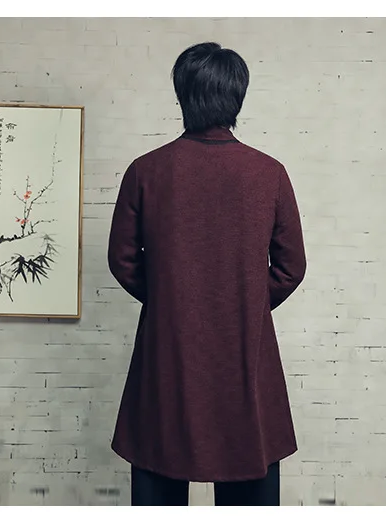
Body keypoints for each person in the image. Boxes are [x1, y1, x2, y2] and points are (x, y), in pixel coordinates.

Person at [107, 41, 307, 506]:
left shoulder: (146, 171)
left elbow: (123, 260)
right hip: (246, 348)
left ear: (183, 95)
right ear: (237, 98)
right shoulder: (269, 173)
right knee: (248, 481)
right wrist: (245, 301)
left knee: (159, 472)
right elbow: (291, 267)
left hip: (168, 349)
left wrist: (171, 299)